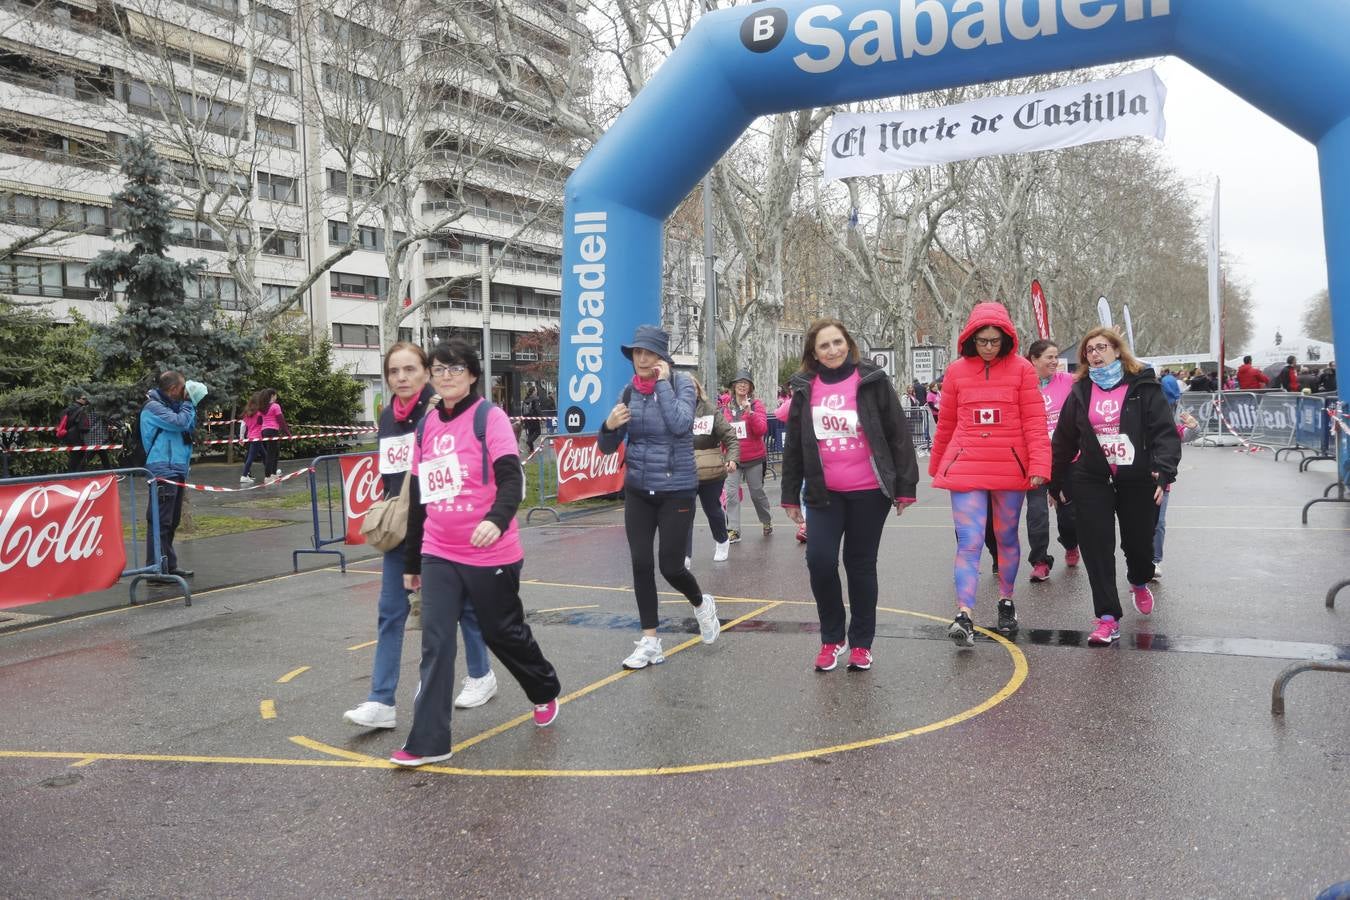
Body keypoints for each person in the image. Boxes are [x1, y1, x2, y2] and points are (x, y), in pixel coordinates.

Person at [391, 340, 561, 766]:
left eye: (455, 368)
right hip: (439, 550)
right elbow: (419, 500)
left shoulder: (491, 418)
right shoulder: (427, 426)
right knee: (436, 643)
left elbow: (510, 481)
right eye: (439, 368)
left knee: (501, 632)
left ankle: (543, 687)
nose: (446, 375)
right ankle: (429, 741)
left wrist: (496, 520)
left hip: (490, 551)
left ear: (471, 374)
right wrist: (412, 562)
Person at [344, 342, 498, 733]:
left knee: (461, 610)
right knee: (390, 613)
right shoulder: (386, 416)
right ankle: (381, 700)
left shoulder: (439, 411)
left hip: (443, 528)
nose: (402, 378)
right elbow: (390, 473)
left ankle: (481, 674)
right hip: (403, 529)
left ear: (426, 372)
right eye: (394, 371)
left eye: (410, 370)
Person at [781, 319, 917, 672]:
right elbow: (795, 444)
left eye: (838, 342)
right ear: (813, 352)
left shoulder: (871, 380)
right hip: (823, 492)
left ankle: (860, 643)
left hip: (869, 492)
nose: (832, 350)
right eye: (824, 345)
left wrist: (905, 487)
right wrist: (789, 496)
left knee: (860, 566)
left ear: (849, 343)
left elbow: (898, 433)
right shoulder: (804, 387)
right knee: (820, 561)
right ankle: (832, 637)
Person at [598, 325, 721, 670]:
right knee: (640, 563)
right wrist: (608, 426)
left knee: (670, 566)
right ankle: (650, 640)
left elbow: (681, 424)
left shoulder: (681, 384)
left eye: (648, 353)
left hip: (676, 488)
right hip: (638, 488)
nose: (641, 358)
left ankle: (701, 603)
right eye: (637, 353)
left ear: (662, 358)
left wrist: (663, 385)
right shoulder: (628, 393)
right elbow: (608, 447)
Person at [1050, 327, 1182, 645]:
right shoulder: (1081, 390)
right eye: (1089, 350)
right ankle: (1107, 617)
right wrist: (1055, 482)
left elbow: (1164, 432)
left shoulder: (1144, 386)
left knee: (1139, 547)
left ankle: (1138, 579)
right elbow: (1064, 439)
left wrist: (1163, 472)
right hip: (1091, 478)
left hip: (1136, 478)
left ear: (1117, 350)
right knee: (1096, 548)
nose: (1095, 354)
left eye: (1101, 347)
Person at [929, 302, 1050, 647]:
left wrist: (1040, 466)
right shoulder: (955, 372)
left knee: (1006, 536)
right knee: (968, 541)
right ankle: (963, 614)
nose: (988, 347)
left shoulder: (1023, 370)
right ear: (970, 338)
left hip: (1010, 468)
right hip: (967, 466)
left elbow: (1034, 423)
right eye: (982, 340)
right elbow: (946, 424)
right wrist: (938, 464)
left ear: (1006, 338)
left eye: (995, 340)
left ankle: (1006, 601)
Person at [1024, 339, 1080, 582]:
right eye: (1049, 357)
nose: (1055, 361)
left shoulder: (1067, 381)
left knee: (1068, 515)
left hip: (1066, 459)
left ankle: (1070, 543)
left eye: (1057, 357)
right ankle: (1040, 561)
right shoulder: (1024, 386)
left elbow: (1095, 375)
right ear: (1034, 360)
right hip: (1036, 459)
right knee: (1036, 513)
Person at [141, 371, 198, 579]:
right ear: (174, 389)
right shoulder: (153, 408)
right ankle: (156, 569)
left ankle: (168, 565)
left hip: (177, 468)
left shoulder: (173, 407)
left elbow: (189, 425)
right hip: (163, 469)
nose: (186, 392)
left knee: (171, 521)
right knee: (160, 521)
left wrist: (190, 405)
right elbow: (179, 423)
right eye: (183, 388)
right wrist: (189, 403)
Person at [687, 372, 739, 564]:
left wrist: (732, 459)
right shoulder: (673, 410)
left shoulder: (710, 410)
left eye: (691, 387)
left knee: (712, 509)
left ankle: (722, 540)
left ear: (698, 389)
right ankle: (685, 554)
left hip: (710, 472)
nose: (688, 391)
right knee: (684, 512)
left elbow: (730, 437)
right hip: (684, 471)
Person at [721, 370, 773, 543]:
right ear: (733, 386)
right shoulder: (725, 408)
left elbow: (761, 430)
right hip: (733, 458)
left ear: (750, 387)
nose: (742, 385)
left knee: (757, 493)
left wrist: (750, 413)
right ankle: (733, 530)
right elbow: (722, 432)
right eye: (739, 382)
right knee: (731, 494)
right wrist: (724, 454)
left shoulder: (757, 405)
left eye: (746, 383)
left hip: (754, 458)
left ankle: (766, 521)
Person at [259, 389, 292, 485]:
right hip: (272, 431)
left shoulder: (263, 408)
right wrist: (288, 434)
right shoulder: (275, 406)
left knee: (275, 452)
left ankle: (273, 474)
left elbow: (259, 422)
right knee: (271, 454)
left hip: (264, 431)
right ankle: (268, 477)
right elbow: (281, 421)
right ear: (272, 396)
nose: (276, 397)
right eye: (276, 395)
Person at [238, 390, 267, 485]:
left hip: (250, 437)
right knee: (251, 457)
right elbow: (262, 424)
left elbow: (243, 425)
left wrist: (241, 437)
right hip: (257, 437)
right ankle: (244, 475)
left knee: (264, 455)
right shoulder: (259, 413)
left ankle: (271, 472)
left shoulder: (248, 413)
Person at [61, 394, 92, 472]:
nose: (86, 400)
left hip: (68, 434)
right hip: (78, 436)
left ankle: (71, 475)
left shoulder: (69, 408)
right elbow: (83, 427)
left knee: (73, 456)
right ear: (78, 399)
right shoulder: (82, 409)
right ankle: (77, 476)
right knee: (79, 457)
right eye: (84, 399)